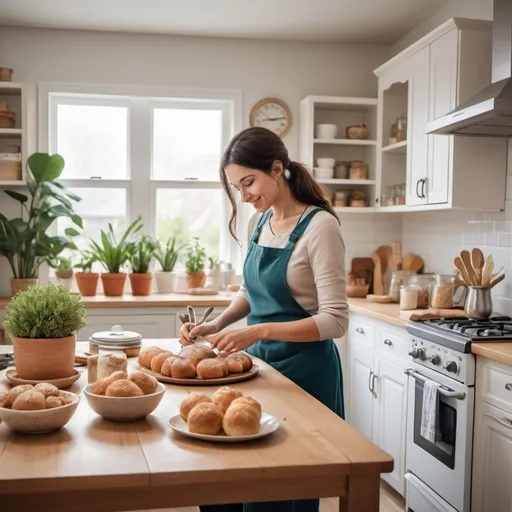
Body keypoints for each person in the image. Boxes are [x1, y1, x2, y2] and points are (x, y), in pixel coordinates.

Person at [180, 126, 348, 512]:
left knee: (282, 492)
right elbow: (249, 291)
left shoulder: (320, 226)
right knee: (237, 479)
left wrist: (259, 329)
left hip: (306, 377)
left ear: (277, 169)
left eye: (248, 182)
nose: (244, 195)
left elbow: (335, 321)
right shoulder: (262, 222)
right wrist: (216, 325)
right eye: (237, 187)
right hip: (261, 370)